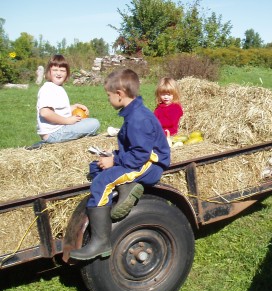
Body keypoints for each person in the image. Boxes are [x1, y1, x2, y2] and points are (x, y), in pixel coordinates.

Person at [69, 69, 171, 260]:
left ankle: (100, 242)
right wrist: (113, 156)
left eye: (108, 95)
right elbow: (134, 147)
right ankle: (125, 187)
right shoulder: (133, 114)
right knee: (96, 167)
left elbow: (141, 155)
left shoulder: (138, 119)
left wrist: (115, 160)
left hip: (151, 165)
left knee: (102, 182)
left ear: (120, 94)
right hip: (139, 159)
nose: (108, 99)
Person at [36, 54, 100, 144]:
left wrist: (75, 106)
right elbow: (45, 113)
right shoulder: (47, 89)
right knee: (94, 123)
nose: (58, 73)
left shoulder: (56, 87)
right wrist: (67, 121)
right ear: (49, 72)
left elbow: (58, 110)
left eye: (62, 71)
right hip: (54, 134)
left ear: (67, 74)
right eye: (55, 70)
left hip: (57, 131)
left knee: (88, 122)